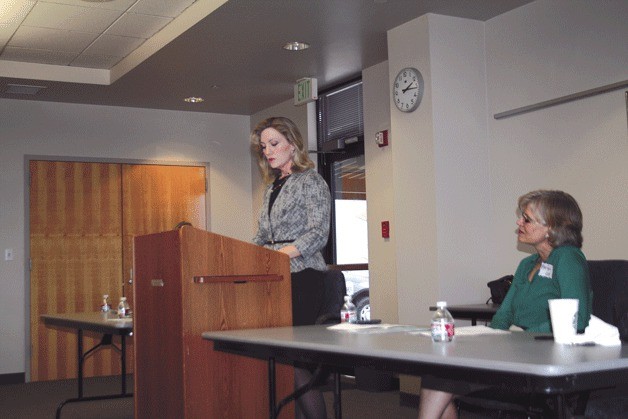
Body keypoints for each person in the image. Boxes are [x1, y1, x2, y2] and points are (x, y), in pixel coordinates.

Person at [418, 189, 593, 419]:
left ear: (552, 227)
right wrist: (488, 338)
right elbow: (504, 314)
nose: (519, 222)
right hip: (514, 355)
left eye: (527, 219)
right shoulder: (527, 264)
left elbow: (577, 320)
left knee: (441, 379)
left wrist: (520, 336)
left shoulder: (568, 258)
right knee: (438, 373)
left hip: (544, 362)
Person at [251, 116, 331, 418]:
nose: (268, 151)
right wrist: (249, 255)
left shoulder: (311, 180)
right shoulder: (271, 188)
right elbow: (262, 235)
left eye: (274, 143)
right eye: (263, 147)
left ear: (292, 144)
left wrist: (280, 255)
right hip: (274, 278)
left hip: (303, 277)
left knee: (293, 362)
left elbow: (318, 232)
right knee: (279, 359)